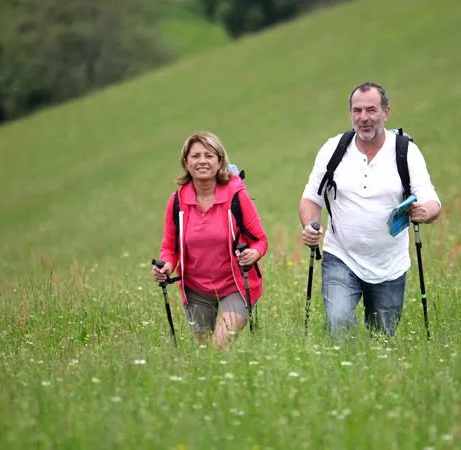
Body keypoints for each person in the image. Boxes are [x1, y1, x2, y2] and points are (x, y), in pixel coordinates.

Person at [299, 82, 441, 338]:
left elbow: (431, 200)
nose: (363, 117)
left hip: (389, 263)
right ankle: (347, 371)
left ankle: (370, 372)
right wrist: (310, 226)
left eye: (371, 110)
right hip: (340, 255)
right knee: (339, 323)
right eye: (357, 110)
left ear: (386, 112)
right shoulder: (334, 149)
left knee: (382, 338)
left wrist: (425, 212)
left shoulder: (405, 151)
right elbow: (311, 198)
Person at [153, 131, 268, 348]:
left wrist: (254, 254)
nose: (202, 161)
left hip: (236, 286)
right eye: (195, 156)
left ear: (220, 161)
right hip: (196, 290)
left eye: (209, 155)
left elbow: (261, 240)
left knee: (219, 345)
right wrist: (165, 266)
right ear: (186, 163)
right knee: (207, 356)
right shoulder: (177, 202)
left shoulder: (236, 196)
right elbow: (169, 247)